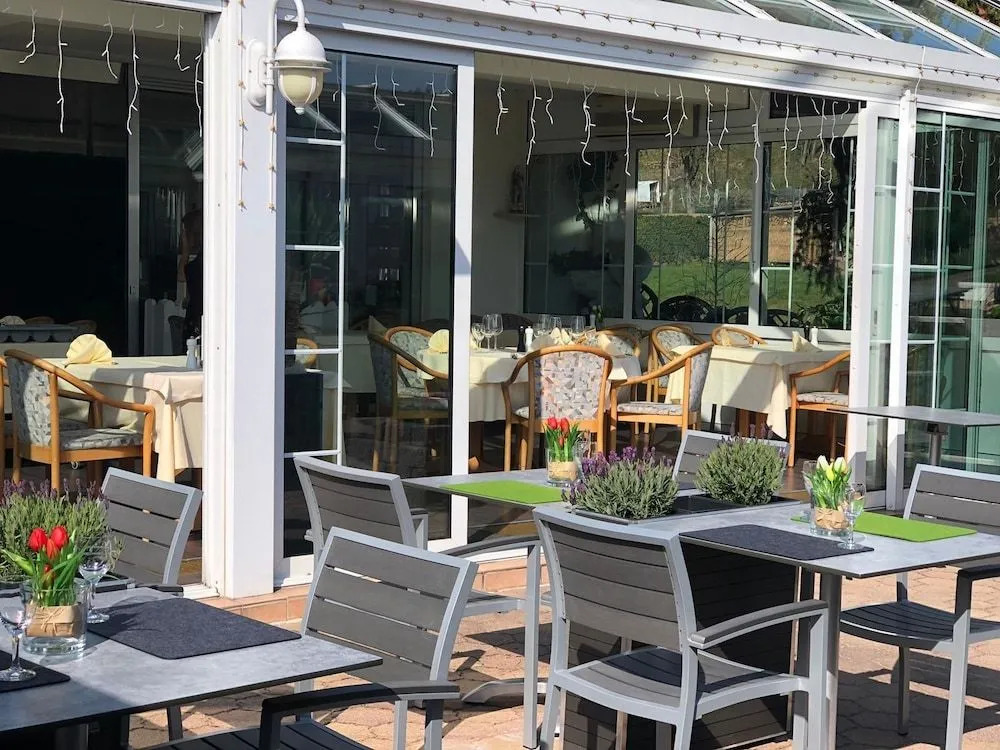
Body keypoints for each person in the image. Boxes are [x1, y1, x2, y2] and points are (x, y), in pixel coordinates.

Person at [178, 207, 203, 339]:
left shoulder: (199, 264)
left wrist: (185, 252)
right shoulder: (201, 260)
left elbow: (181, 276)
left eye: (186, 232)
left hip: (197, 322)